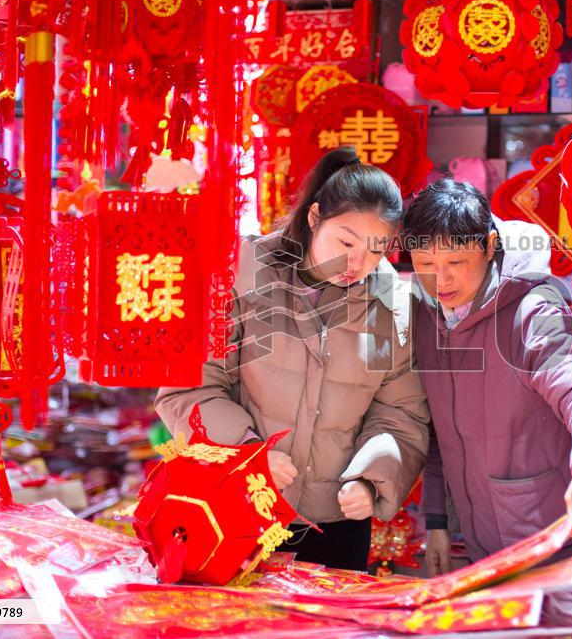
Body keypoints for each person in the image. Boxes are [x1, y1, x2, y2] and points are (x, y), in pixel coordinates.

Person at [156, 147, 430, 572]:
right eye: (345, 241)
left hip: (335, 524)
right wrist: (248, 456)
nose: (357, 264)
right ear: (315, 216)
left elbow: (396, 411)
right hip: (234, 507)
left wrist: (372, 478)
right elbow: (190, 387)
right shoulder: (245, 274)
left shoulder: (387, 306)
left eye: (376, 251)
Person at [402, 179, 572, 575]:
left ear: (490, 246)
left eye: (456, 263)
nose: (442, 281)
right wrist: (438, 521)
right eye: (425, 265)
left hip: (567, 544)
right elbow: (441, 430)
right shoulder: (428, 317)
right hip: (486, 552)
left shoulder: (532, 312)